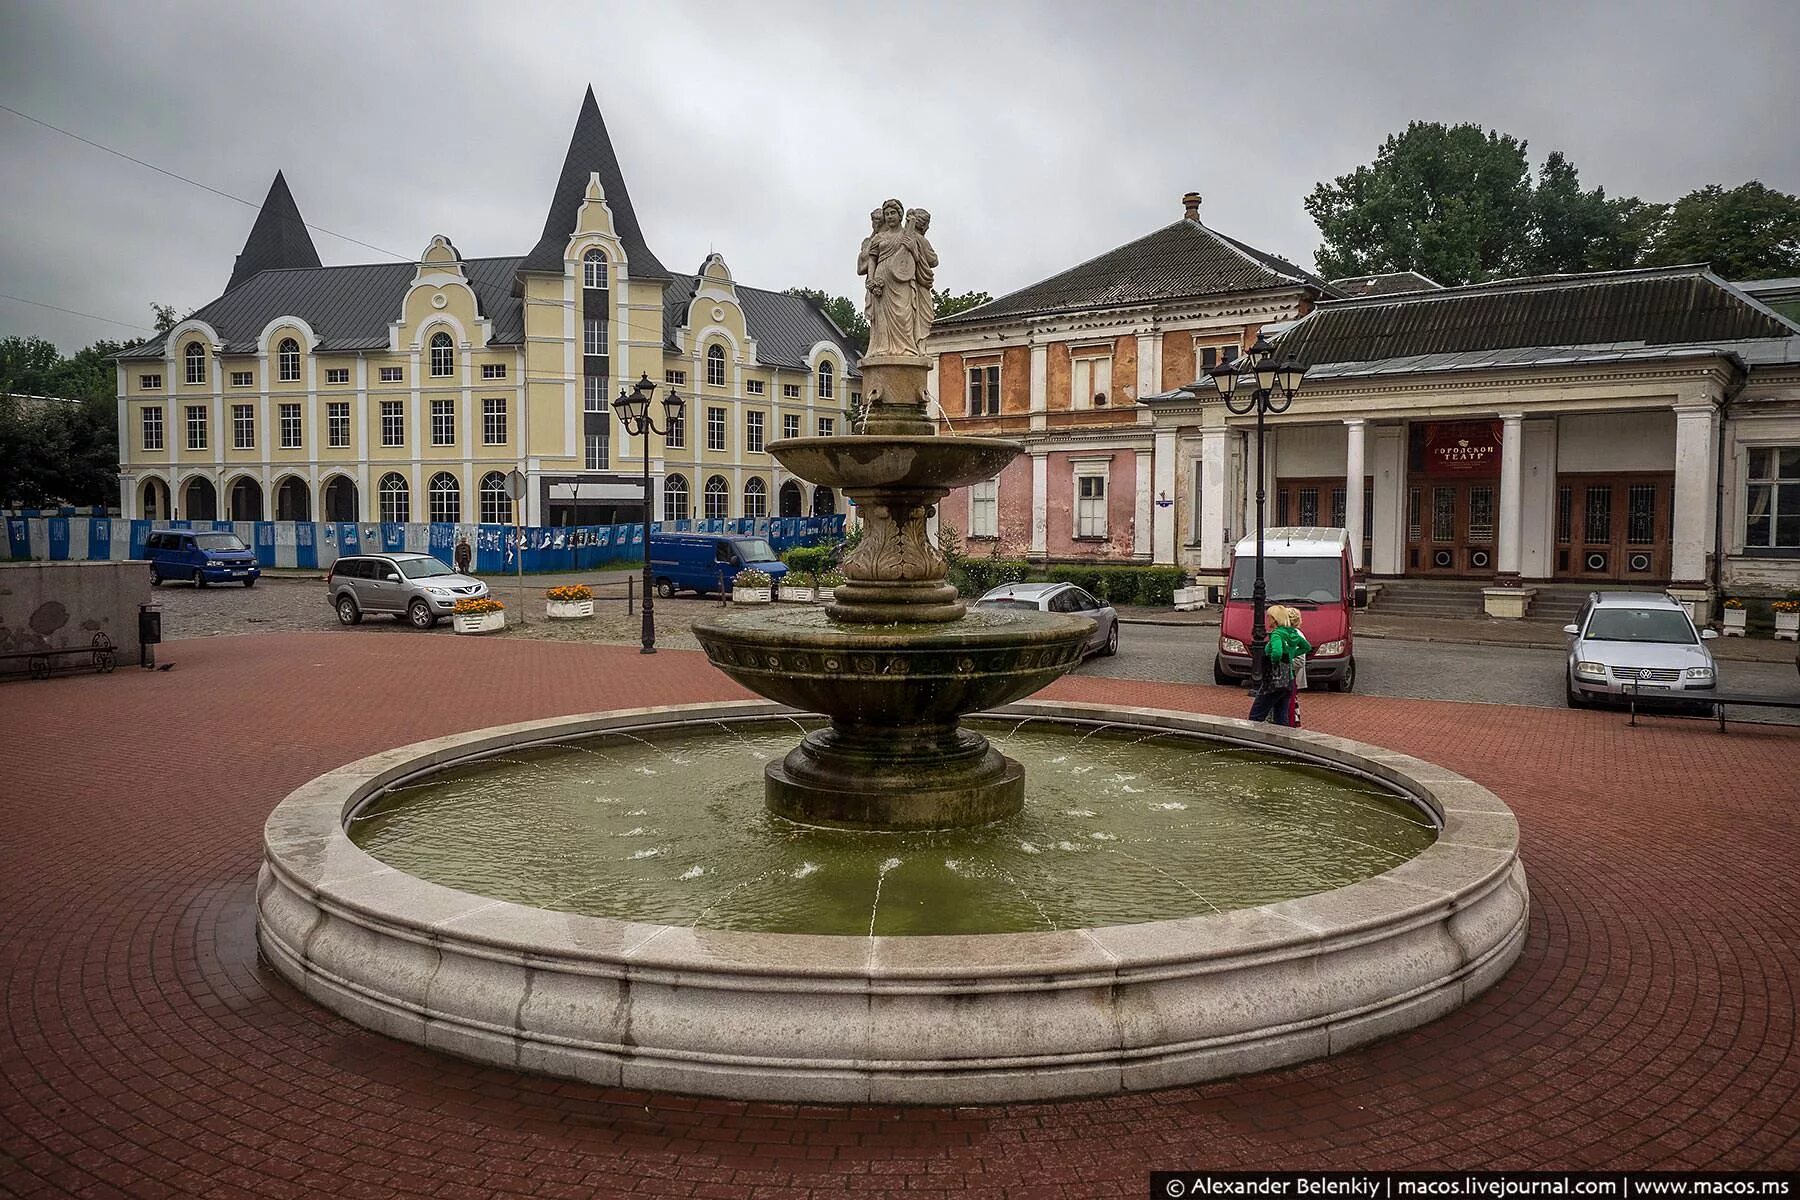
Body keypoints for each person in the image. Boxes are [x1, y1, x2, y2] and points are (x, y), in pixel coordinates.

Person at [1247, 605, 1311, 726]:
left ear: (1275, 619)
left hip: (1273, 679)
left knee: (1256, 715)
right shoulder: (1292, 633)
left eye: (1269, 617)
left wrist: (1273, 661)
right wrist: (1290, 656)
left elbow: (1277, 652)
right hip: (1288, 679)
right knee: (1281, 716)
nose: (1267, 619)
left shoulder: (1277, 634)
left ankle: (1253, 736)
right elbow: (1306, 647)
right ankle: (1282, 736)